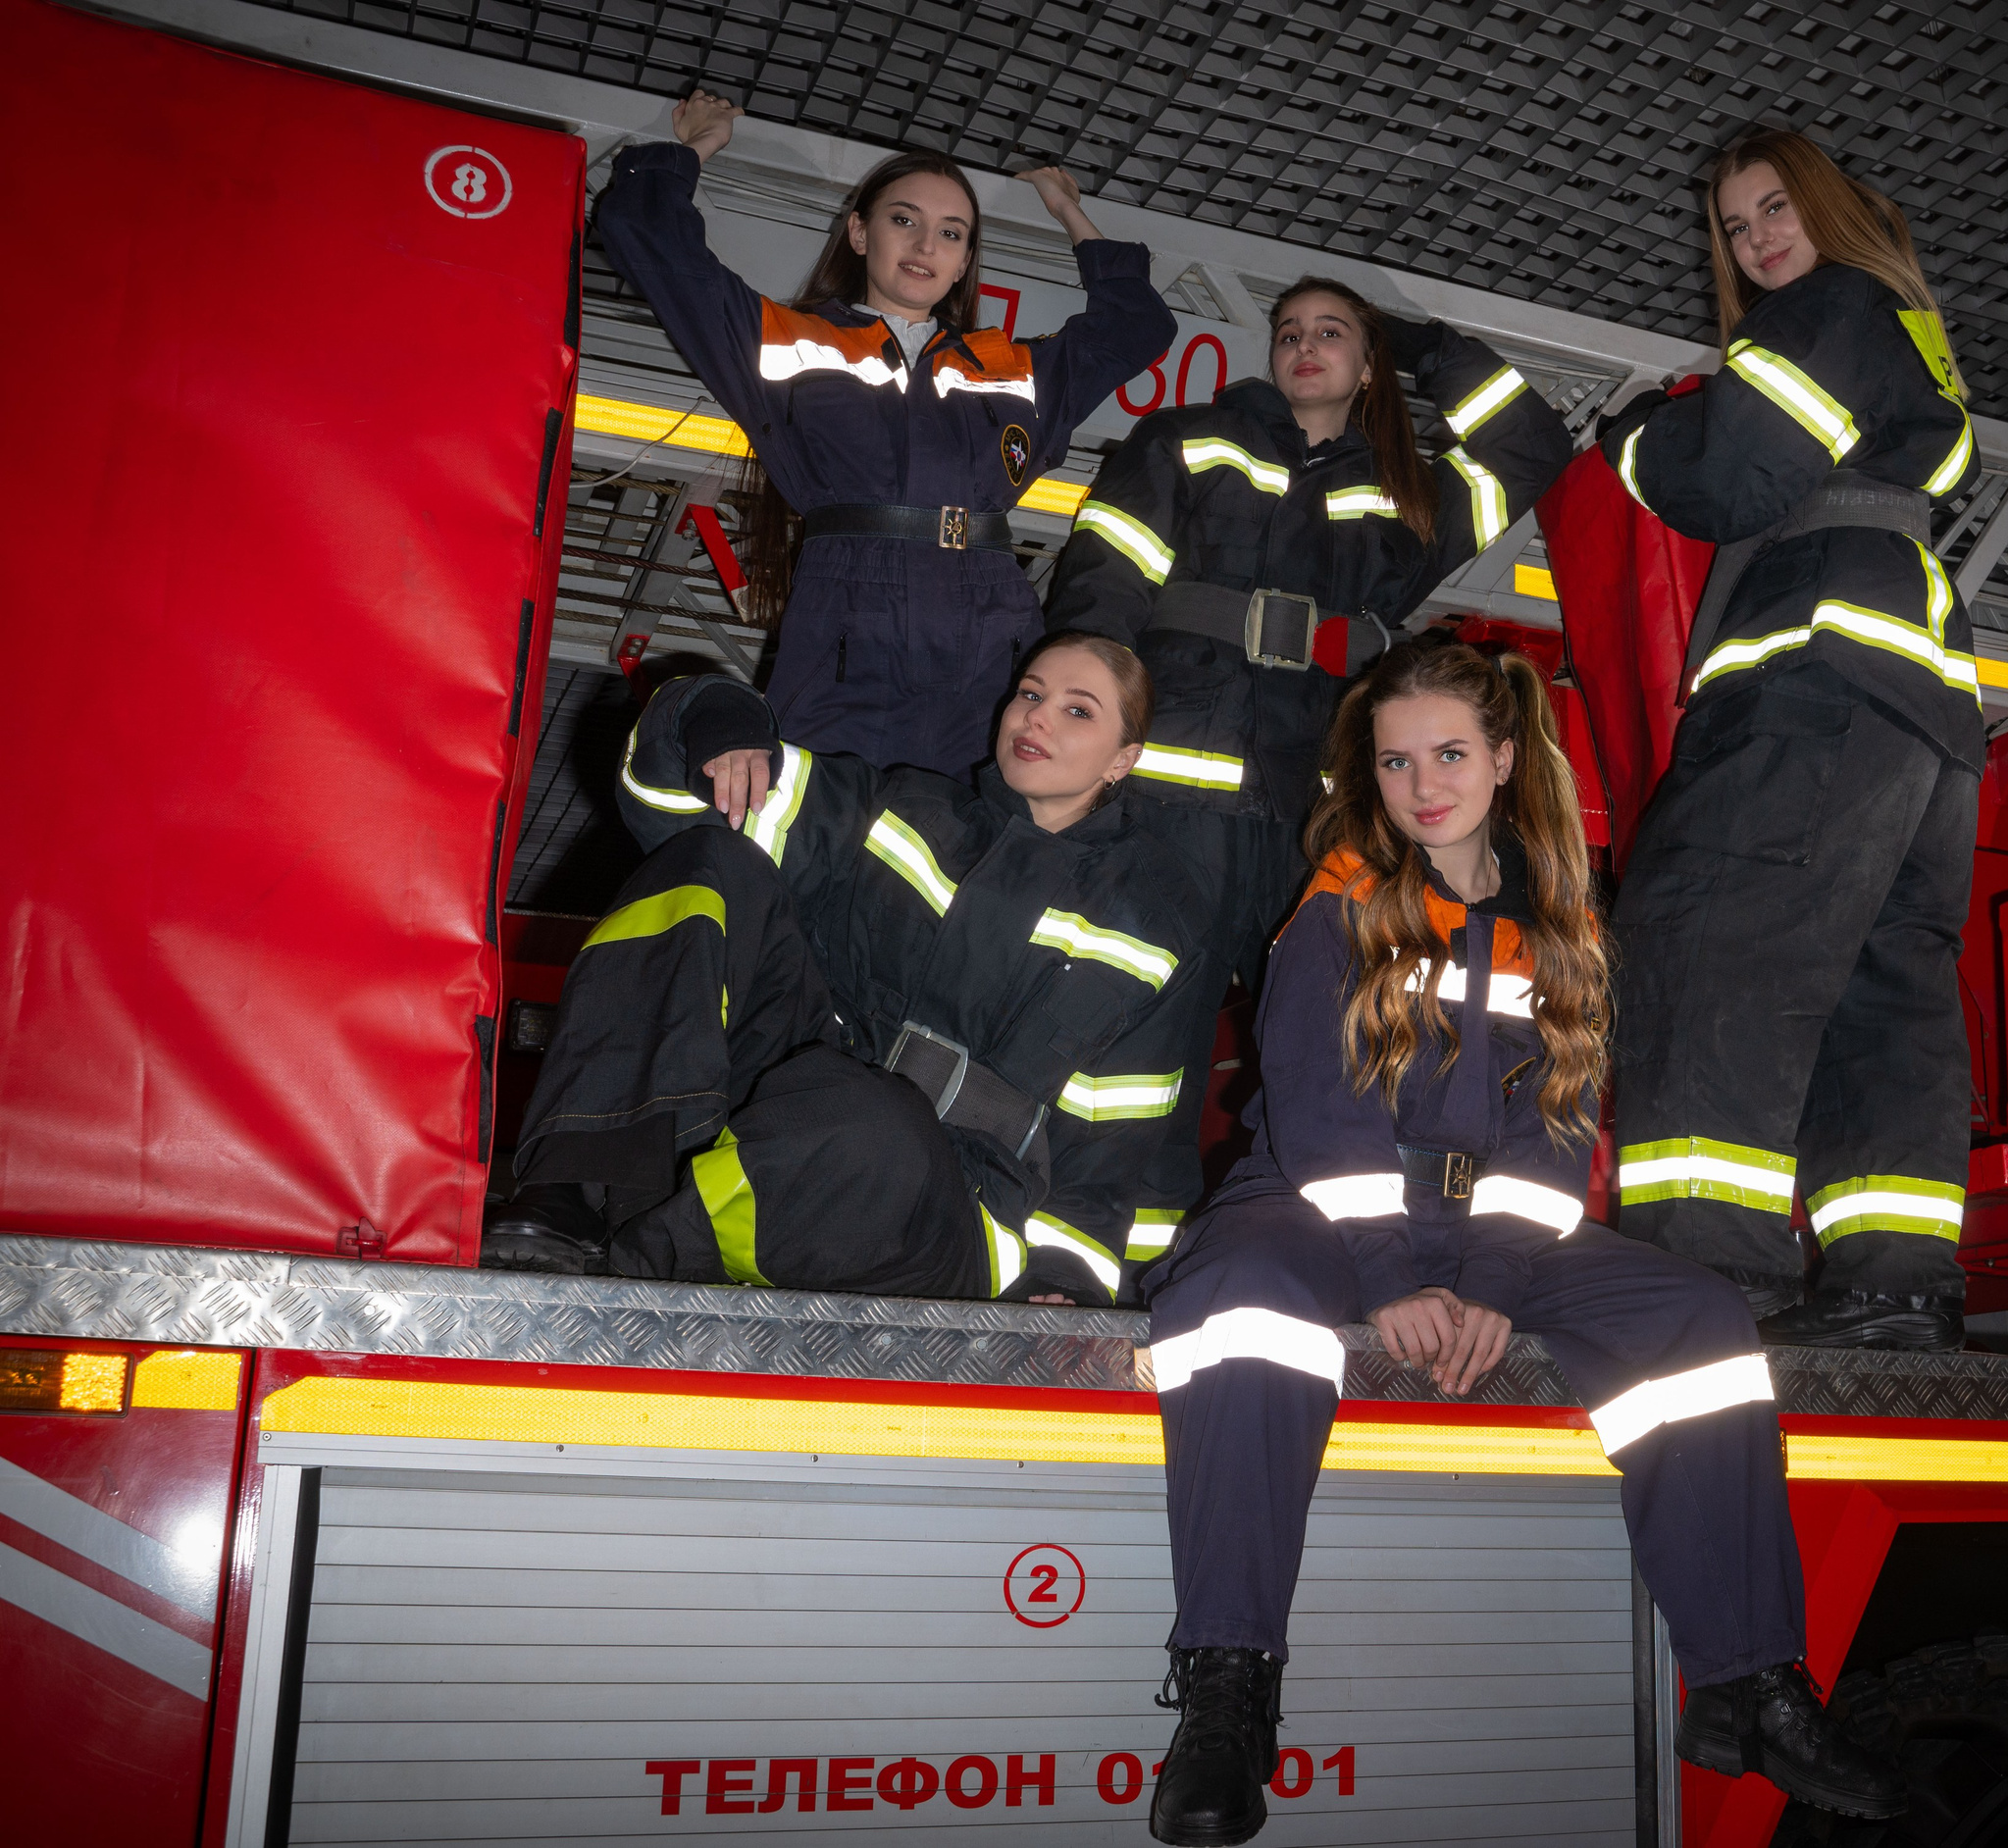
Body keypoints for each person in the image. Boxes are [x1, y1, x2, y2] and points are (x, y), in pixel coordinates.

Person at [1137, 638, 1906, 1845]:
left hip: (1485, 1229)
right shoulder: (1338, 899)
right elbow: (1320, 1106)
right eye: (1395, 761)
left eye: (1449, 753)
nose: (1421, 784)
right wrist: (1391, 1280)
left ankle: (1748, 1683)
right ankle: (1229, 1690)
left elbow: (1554, 1138)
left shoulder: (1556, 930)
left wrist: (1494, 1283)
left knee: (1697, 1324)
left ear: (1503, 758)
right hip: (1320, 1212)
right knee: (1239, 1307)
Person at [1046, 277, 1573, 1233]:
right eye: (1290, 332)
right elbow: (1099, 600)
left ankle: (1300, 1250)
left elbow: (1531, 444)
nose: (1305, 345)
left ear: (1366, 365)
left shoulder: (1409, 497)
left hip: (1313, 836)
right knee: (1132, 1054)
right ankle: (1097, 1271)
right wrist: (1084, 759)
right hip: (1169, 816)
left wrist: (1414, 338)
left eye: (1333, 333)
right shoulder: (1185, 443)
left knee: (1326, 1060)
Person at [483, 635, 1212, 1307]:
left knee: (870, 1130)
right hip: (797, 1109)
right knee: (707, 865)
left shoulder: (1150, 926)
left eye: (1077, 710)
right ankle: (571, 1190)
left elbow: (1115, 1148)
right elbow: (666, 796)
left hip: (950, 1209)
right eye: (1029, 692)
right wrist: (719, 716)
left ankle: (634, 1263)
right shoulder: (899, 810)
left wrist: (1065, 1281)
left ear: (1123, 759)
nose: (1038, 718)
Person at [1605, 126, 1984, 1352]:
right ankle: (1893, 1285)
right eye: (1735, 226)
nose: (1758, 237)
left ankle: (1707, 1275)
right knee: (1883, 988)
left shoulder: (1825, 306)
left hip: (1812, 682)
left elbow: (1727, 479)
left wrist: (1629, 439)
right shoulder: (1908, 337)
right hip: (1914, 702)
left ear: (1834, 210)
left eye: (1776, 207)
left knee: (1709, 940)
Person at [596, 88, 1177, 775]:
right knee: (813, 830)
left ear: (964, 262)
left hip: (992, 621)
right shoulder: (782, 340)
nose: (926, 244)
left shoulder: (1013, 369)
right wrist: (699, 144)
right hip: (845, 616)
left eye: (952, 233)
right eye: (905, 219)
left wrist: (1065, 210)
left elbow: (1138, 324)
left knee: (977, 835)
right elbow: (645, 235)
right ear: (860, 233)